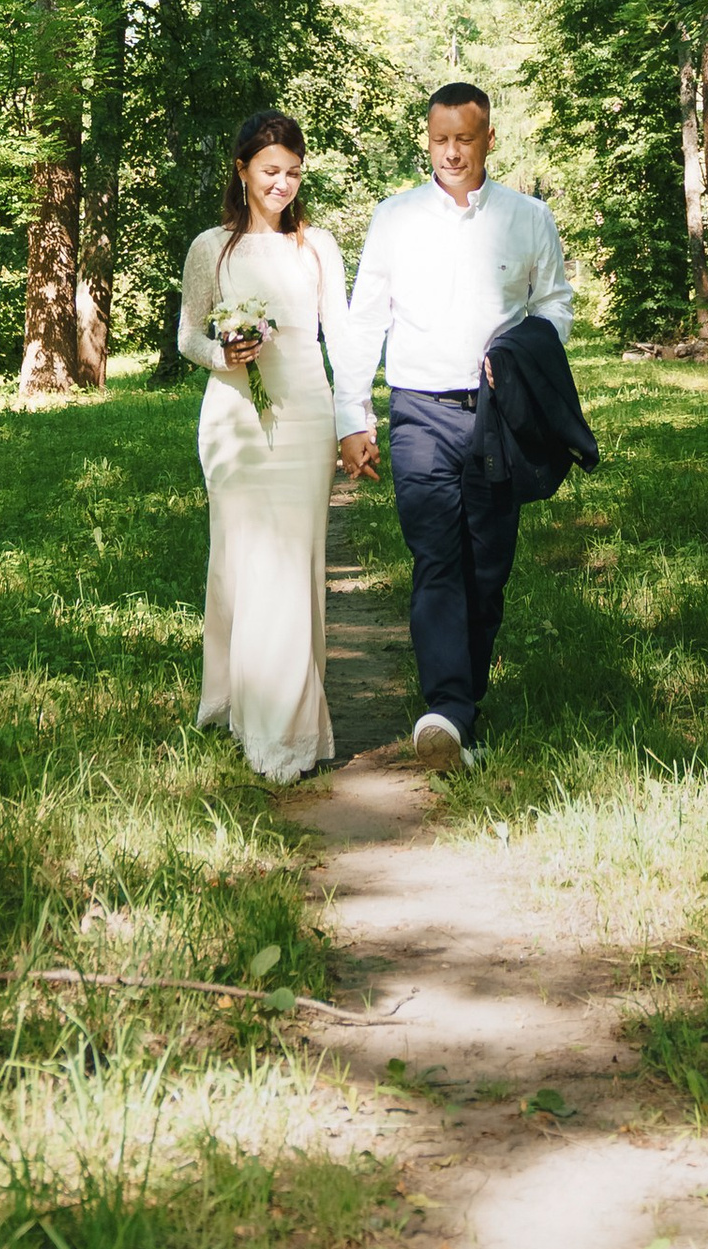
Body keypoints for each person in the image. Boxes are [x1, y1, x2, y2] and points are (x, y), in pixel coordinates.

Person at [332, 83, 570, 771]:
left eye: (466, 138)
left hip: (499, 417)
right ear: (426, 139)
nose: (453, 152)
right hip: (417, 410)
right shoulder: (395, 218)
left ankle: (461, 711)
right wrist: (355, 417)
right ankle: (445, 710)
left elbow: (553, 303)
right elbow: (365, 319)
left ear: (490, 138)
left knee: (487, 567)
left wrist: (519, 356)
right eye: (441, 139)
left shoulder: (528, 217)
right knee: (437, 556)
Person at [177, 109, 348, 784]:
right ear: (242, 169)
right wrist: (224, 353)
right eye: (270, 171)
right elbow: (188, 336)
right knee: (244, 561)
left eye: (294, 174)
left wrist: (354, 420)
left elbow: (342, 332)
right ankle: (242, 706)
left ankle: (287, 728)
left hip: (305, 414)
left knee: (294, 564)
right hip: (232, 423)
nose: (282, 184)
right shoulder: (210, 248)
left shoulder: (320, 247)